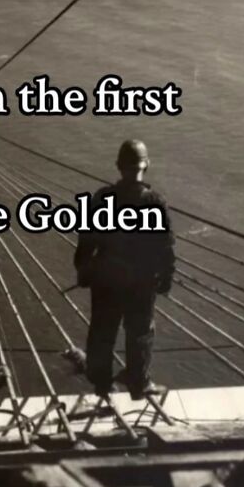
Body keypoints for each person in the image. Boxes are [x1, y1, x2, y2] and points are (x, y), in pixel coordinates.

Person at [74, 139, 175, 400]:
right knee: (140, 332)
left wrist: (83, 270)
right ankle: (139, 384)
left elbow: (86, 241)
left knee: (101, 331)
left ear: (118, 166)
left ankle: (102, 385)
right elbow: (165, 247)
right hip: (140, 283)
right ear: (147, 165)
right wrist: (166, 278)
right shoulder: (155, 202)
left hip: (106, 279)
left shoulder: (102, 198)